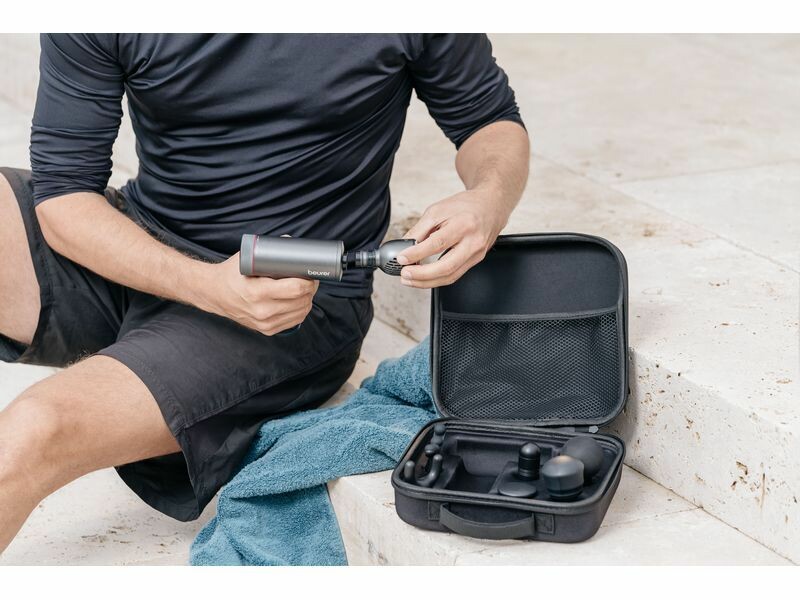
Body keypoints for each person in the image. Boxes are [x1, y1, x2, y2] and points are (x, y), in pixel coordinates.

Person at [0, 33, 529, 552]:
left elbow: (488, 119)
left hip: (291, 302)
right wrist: (206, 285)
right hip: (152, 250)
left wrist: (487, 200)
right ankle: (139, 355)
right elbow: (65, 196)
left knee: (35, 429)